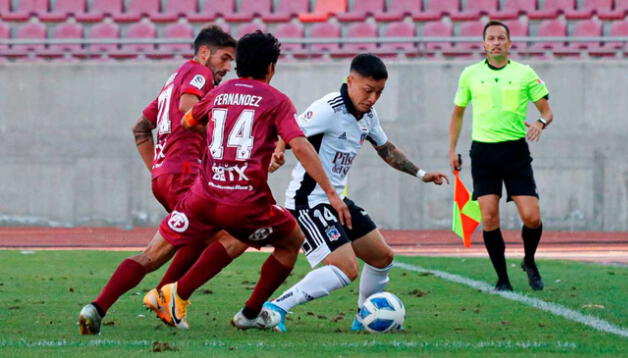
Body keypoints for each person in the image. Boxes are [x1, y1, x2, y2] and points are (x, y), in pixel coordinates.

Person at [154, 30, 352, 331]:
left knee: (235, 237)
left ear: (239, 64)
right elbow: (299, 145)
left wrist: (224, 146)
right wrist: (331, 193)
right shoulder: (276, 100)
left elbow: (188, 120)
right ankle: (245, 312)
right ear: (271, 67)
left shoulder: (220, 93)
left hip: (207, 195)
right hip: (244, 200)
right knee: (292, 240)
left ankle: (177, 294)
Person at [79, 25, 248, 335]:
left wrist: (158, 170)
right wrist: (224, 133)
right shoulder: (199, 73)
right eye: (224, 59)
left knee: (179, 245)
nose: (227, 68)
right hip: (185, 177)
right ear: (204, 53)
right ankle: (165, 297)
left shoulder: (173, 80)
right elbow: (187, 109)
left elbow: (141, 129)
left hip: (168, 177)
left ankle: (99, 307)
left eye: (231, 62)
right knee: (234, 237)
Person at [264, 53, 449, 332]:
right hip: (309, 202)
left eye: (379, 92)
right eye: (368, 90)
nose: (373, 98)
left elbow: (385, 149)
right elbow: (290, 131)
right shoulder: (328, 108)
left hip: (337, 200)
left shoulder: (368, 116)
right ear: (350, 81)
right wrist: (278, 151)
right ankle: (275, 307)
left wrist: (422, 174)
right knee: (346, 268)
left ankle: (364, 316)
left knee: (382, 257)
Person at [447, 21, 554, 291]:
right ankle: (502, 279)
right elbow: (458, 113)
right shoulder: (470, 75)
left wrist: (539, 124)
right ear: (483, 44)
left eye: (500, 38)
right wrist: (451, 149)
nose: (495, 42)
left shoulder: (524, 73)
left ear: (509, 43)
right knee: (490, 217)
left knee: (531, 216)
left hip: (515, 152)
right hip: (483, 153)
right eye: (491, 38)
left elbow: (547, 111)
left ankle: (529, 261)